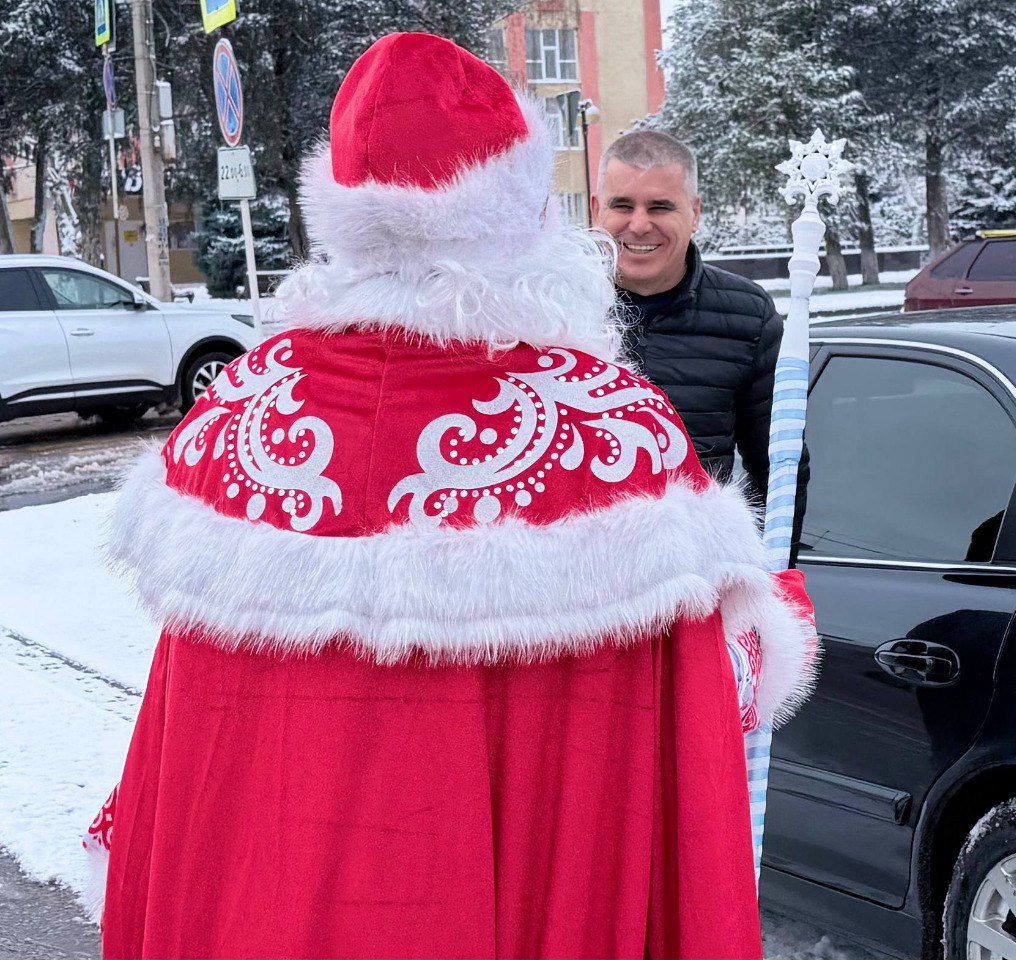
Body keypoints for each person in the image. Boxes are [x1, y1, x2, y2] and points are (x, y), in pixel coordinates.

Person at [85, 33, 818, 960]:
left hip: (264, 916)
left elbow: (188, 748)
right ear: (519, 213)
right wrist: (771, 622)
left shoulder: (236, 416)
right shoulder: (612, 433)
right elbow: (689, 706)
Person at [593, 131, 805, 516]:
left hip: (699, 554)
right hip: (579, 555)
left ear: (695, 213)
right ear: (597, 210)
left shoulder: (747, 315)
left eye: (660, 207)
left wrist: (763, 555)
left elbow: (780, 468)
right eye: (622, 205)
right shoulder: (546, 309)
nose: (639, 225)